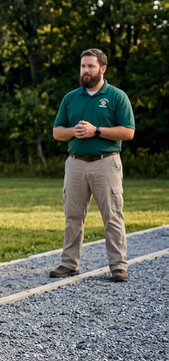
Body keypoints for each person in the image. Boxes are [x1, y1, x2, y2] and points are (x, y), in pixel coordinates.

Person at [50, 48, 135, 282]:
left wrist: (95, 131)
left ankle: (118, 266)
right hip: (75, 163)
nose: (85, 70)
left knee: (112, 216)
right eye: (83, 66)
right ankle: (69, 263)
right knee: (73, 216)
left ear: (102, 69)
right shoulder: (71, 98)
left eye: (90, 66)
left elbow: (128, 132)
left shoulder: (116, 96)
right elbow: (58, 132)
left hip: (105, 163)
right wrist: (74, 132)